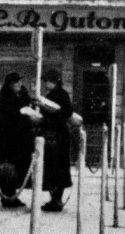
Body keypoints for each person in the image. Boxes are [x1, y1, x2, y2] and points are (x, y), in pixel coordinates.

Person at [34, 68, 75, 212]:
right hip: (57, 135)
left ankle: (56, 200)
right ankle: (55, 199)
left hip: (56, 136)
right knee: (55, 168)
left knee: (56, 168)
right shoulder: (56, 93)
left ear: (53, 81)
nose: (45, 84)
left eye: (47, 81)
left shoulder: (59, 94)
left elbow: (66, 112)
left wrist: (45, 107)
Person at [0, 73, 34, 207]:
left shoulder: (18, 97)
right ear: (10, 84)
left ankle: (11, 195)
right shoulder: (5, 100)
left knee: (17, 168)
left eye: (20, 82)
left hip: (19, 140)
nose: (20, 85)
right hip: (10, 141)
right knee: (9, 169)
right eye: (17, 83)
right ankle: (8, 195)